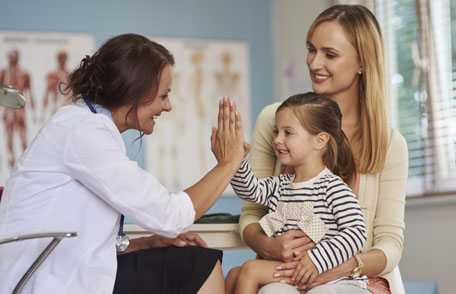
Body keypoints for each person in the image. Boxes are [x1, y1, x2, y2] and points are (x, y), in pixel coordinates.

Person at [0, 33, 245, 294]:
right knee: (198, 265)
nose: (168, 106)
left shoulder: (83, 124)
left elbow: (83, 237)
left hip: (59, 272)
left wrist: (147, 243)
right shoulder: (84, 131)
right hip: (42, 282)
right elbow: (171, 216)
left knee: (186, 259)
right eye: (164, 95)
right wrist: (228, 163)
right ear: (135, 91)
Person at [239, 5, 408, 294]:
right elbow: (251, 212)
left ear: (362, 63)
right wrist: (268, 244)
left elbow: (390, 242)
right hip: (284, 272)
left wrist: (338, 267)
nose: (314, 63)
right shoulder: (274, 120)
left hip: (352, 276)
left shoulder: (389, 144)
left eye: (330, 54)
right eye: (311, 49)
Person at [225, 93, 368, 294]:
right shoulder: (280, 185)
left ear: (320, 141)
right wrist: (236, 160)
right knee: (234, 275)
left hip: (332, 276)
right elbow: (250, 190)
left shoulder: (333, 188)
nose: (277, 140)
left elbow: (356, 232)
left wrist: (316, 260)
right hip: (293, 271)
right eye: (276, 132)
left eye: (288, 133)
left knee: (250, 270)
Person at [0, 49, 35, 168]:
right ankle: (11, 161)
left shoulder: (24, 73)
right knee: (9, 135)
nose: (10, 59)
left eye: (12, 57)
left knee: (22, 135)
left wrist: (34, 111)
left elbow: (30, 92)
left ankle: (25, 162)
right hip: (8, 108)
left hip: (20, 108)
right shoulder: (4, 72)